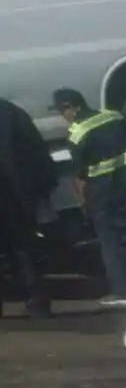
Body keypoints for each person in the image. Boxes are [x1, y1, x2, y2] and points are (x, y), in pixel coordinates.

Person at [53, 88, 126, 309]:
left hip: (107, 195)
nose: (63, 116)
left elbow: (81, 177)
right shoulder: (113, 115)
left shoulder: (77, 133)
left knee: (112, 245)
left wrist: (81, 203)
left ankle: (125, 292)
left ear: (71, 107)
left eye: (62, 110)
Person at [0, 96, 57, 319]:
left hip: (12, 191)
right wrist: (42, 186)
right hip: (17, 193)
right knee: (24, 247)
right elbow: (36, 148)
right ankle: (37, 301)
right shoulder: (11, 112)